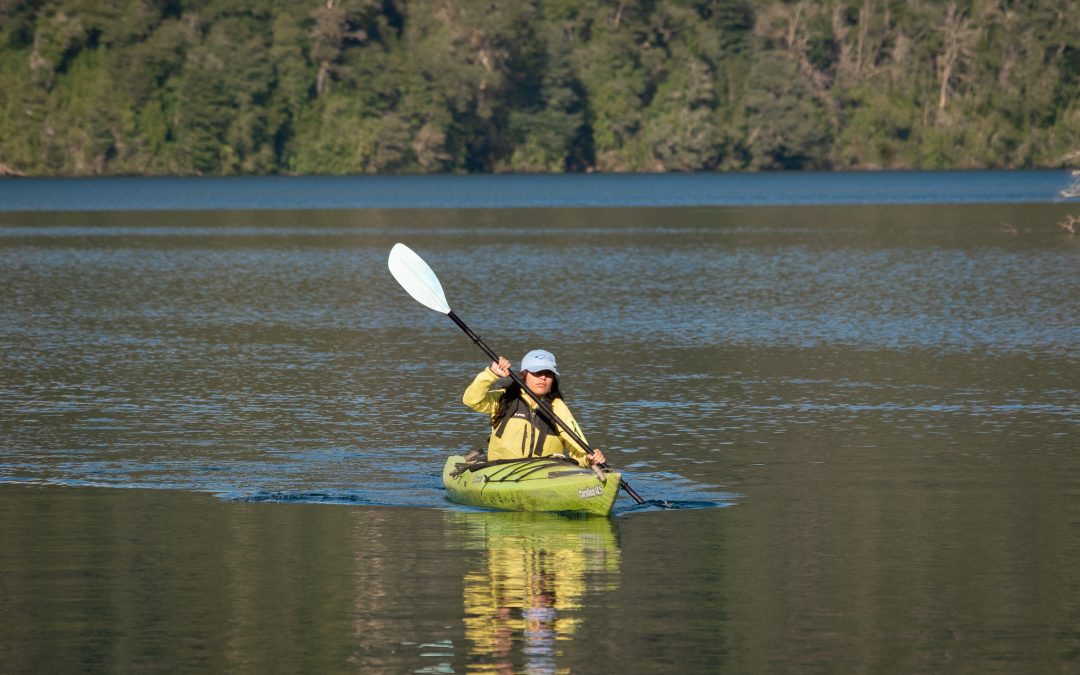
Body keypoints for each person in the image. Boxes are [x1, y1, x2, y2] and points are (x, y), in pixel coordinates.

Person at [463, 349, 606, 467]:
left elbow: (579, 451)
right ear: (524, 375)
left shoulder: (557, 407)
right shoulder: (504, 398)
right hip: (499, 469)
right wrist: (491, 374)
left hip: (544, 474)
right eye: (537, 372)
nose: (543, 377)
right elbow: (471, 400)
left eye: (548, 373)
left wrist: (589, 459)